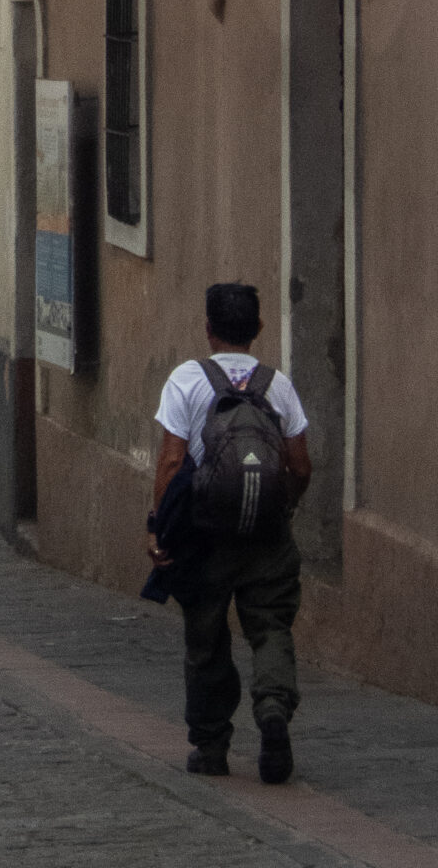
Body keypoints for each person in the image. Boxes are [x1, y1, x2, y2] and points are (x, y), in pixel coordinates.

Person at [149, 281, 312, 784]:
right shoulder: (277, 385)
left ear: (208, 328)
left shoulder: (186, 380)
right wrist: (282, 508)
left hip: (204, 536)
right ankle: (273, 710)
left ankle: (212, 746)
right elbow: (301, 464)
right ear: (258, 328)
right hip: (265, 534)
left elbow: (173, 461)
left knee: (205, 639)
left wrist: (161, 529)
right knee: (271, 628)